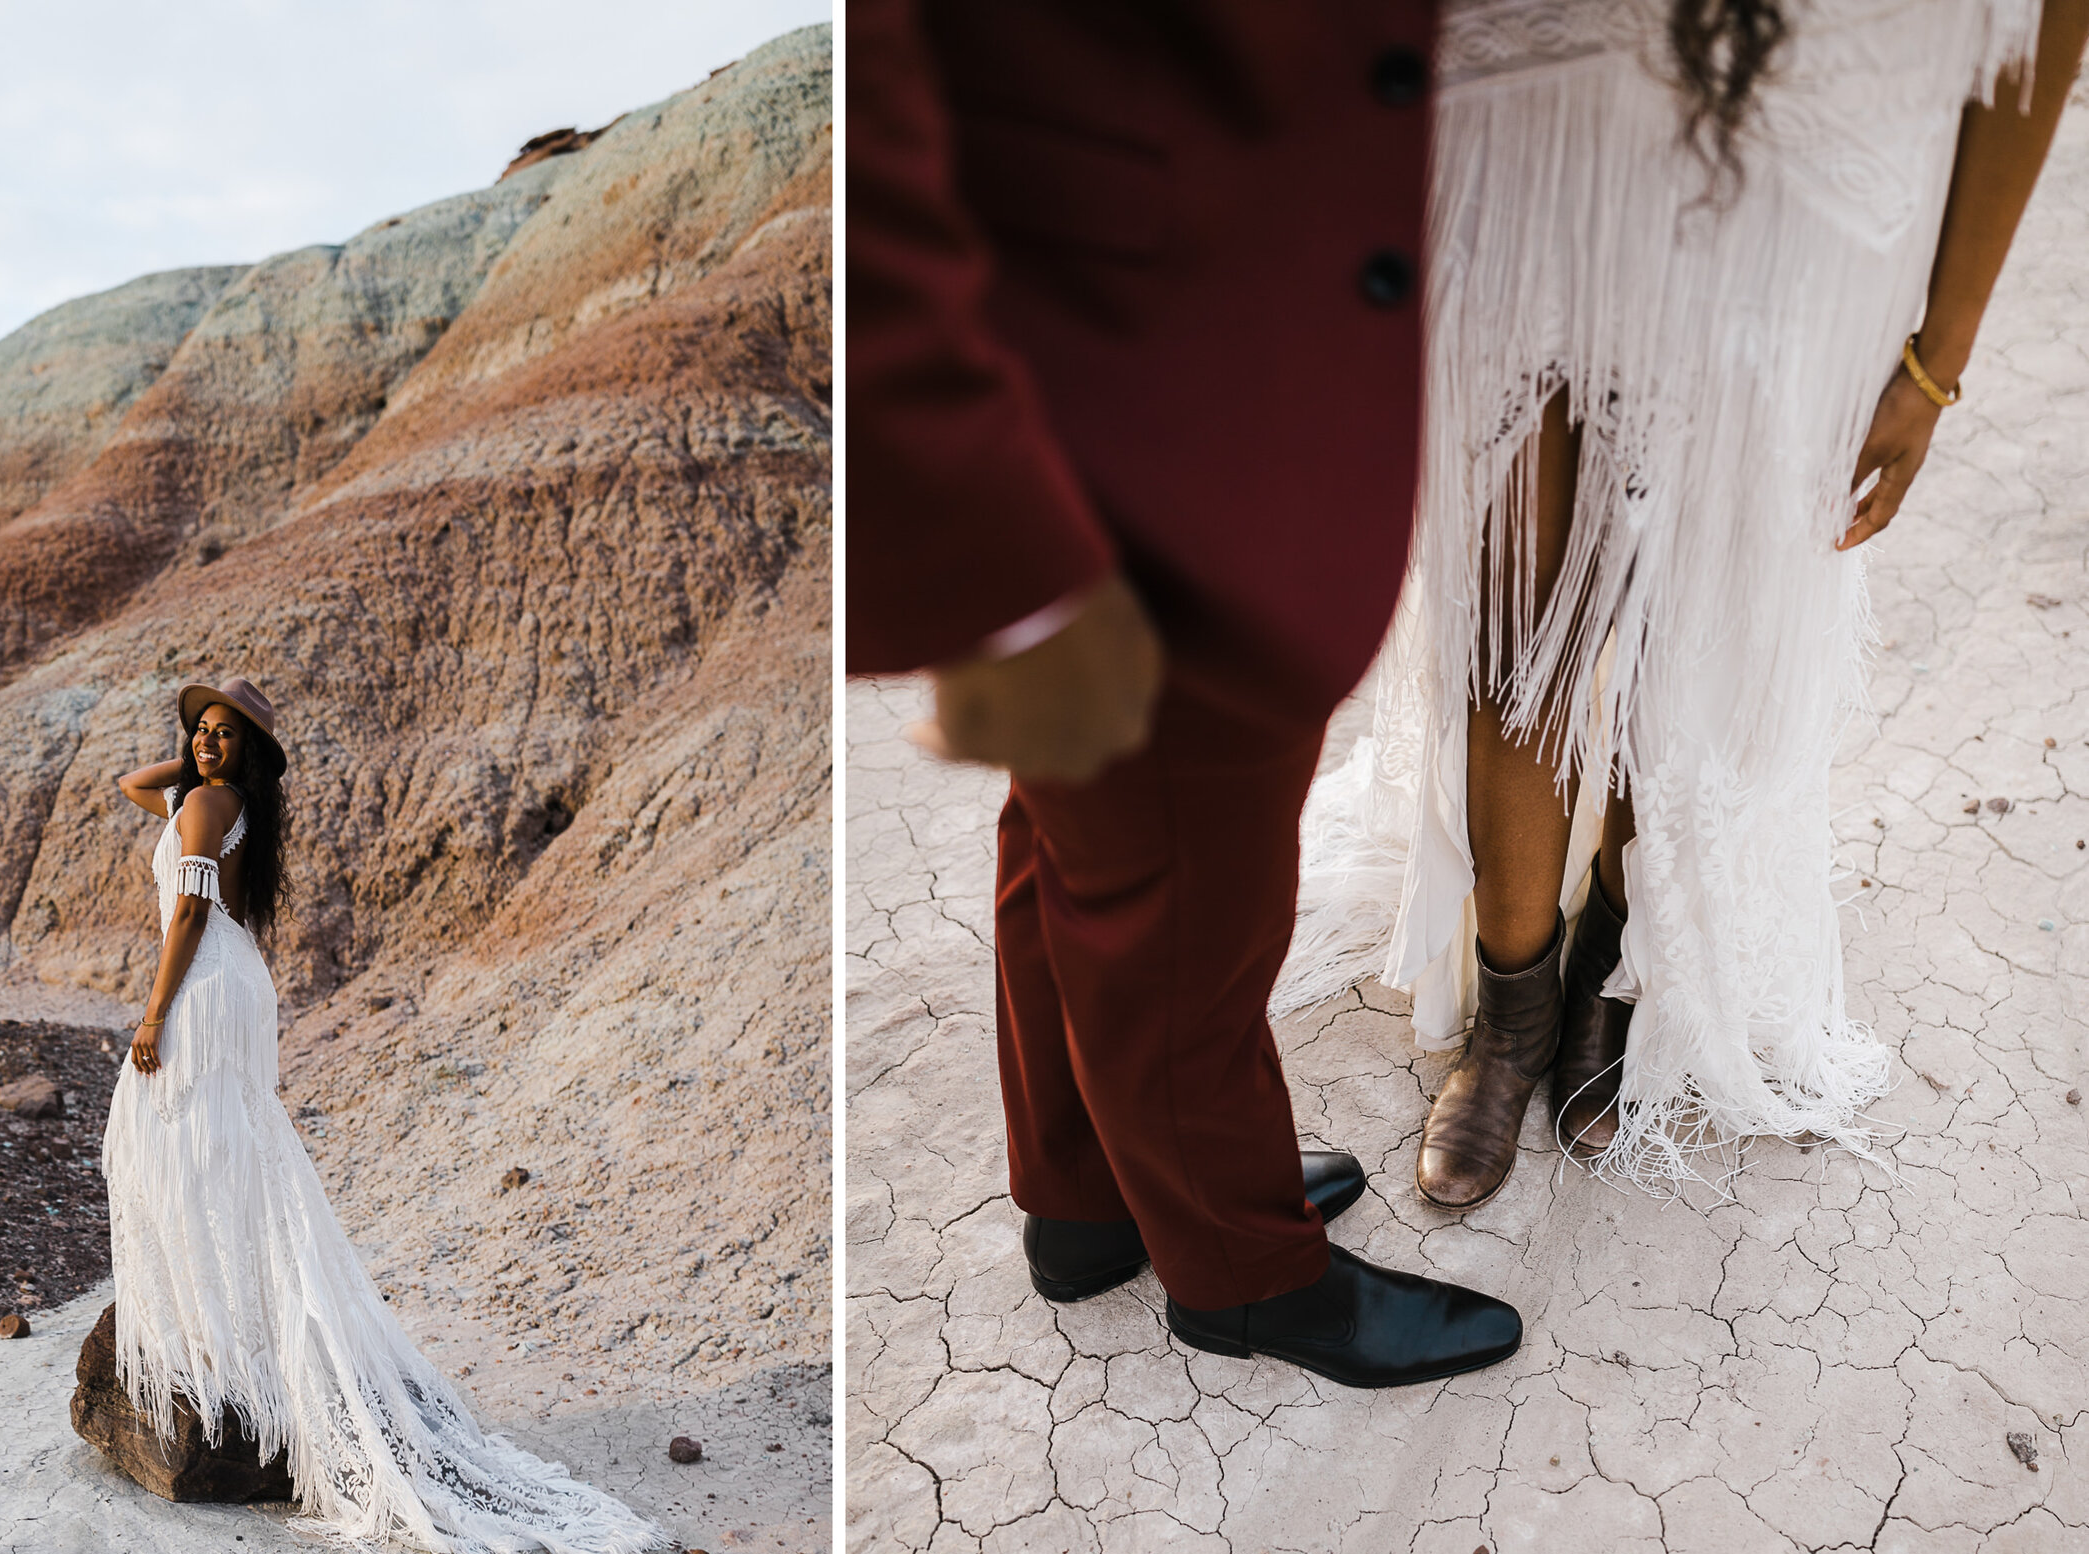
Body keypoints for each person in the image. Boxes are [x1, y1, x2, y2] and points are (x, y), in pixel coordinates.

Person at [1278, 0, 2089, 1209]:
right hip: (1543, 145)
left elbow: (2041, 21)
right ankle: (1513, 1011)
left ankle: (1609, 964)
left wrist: (1939, 355)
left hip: (1796, 204)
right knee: (1516, 625)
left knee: (1691, 651)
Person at [850, 0, 1525, 1388]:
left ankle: (1088, 1196)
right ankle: (1241, 1270)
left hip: (1154, 321)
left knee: (1083, 828)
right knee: (1179, 873)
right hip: (1129, 375)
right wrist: (1004, 569)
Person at [101, 676, 658, 1554]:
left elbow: (191, 911)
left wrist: (151, 1014)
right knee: (216, 1149)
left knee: (178, 1144)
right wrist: (206, 751)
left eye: (223, 735)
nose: (206, 745)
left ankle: (221, 1345)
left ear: (247, 756)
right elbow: (136, 785)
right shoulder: (215, 794)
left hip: (202, 981)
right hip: (233, 980)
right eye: (200, 731)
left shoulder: (210, 803)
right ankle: (233, 1333)